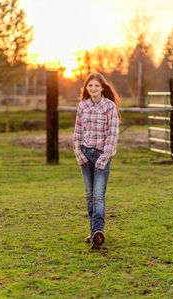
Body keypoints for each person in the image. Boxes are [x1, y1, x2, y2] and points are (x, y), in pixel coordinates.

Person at [73, 72, 120, 249]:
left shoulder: (109, 107)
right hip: (86, 154)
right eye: (90, 86)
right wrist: (79, 154)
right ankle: (94, 233)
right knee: (89, 195)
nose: (93, 88)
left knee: (98, 195)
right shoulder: (83, 106)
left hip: (102, 155)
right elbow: (77, 132)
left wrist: (104, 157)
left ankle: (98, 231)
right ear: (86, 88)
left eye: (96, 86)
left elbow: (112, 135)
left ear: (102, 88)